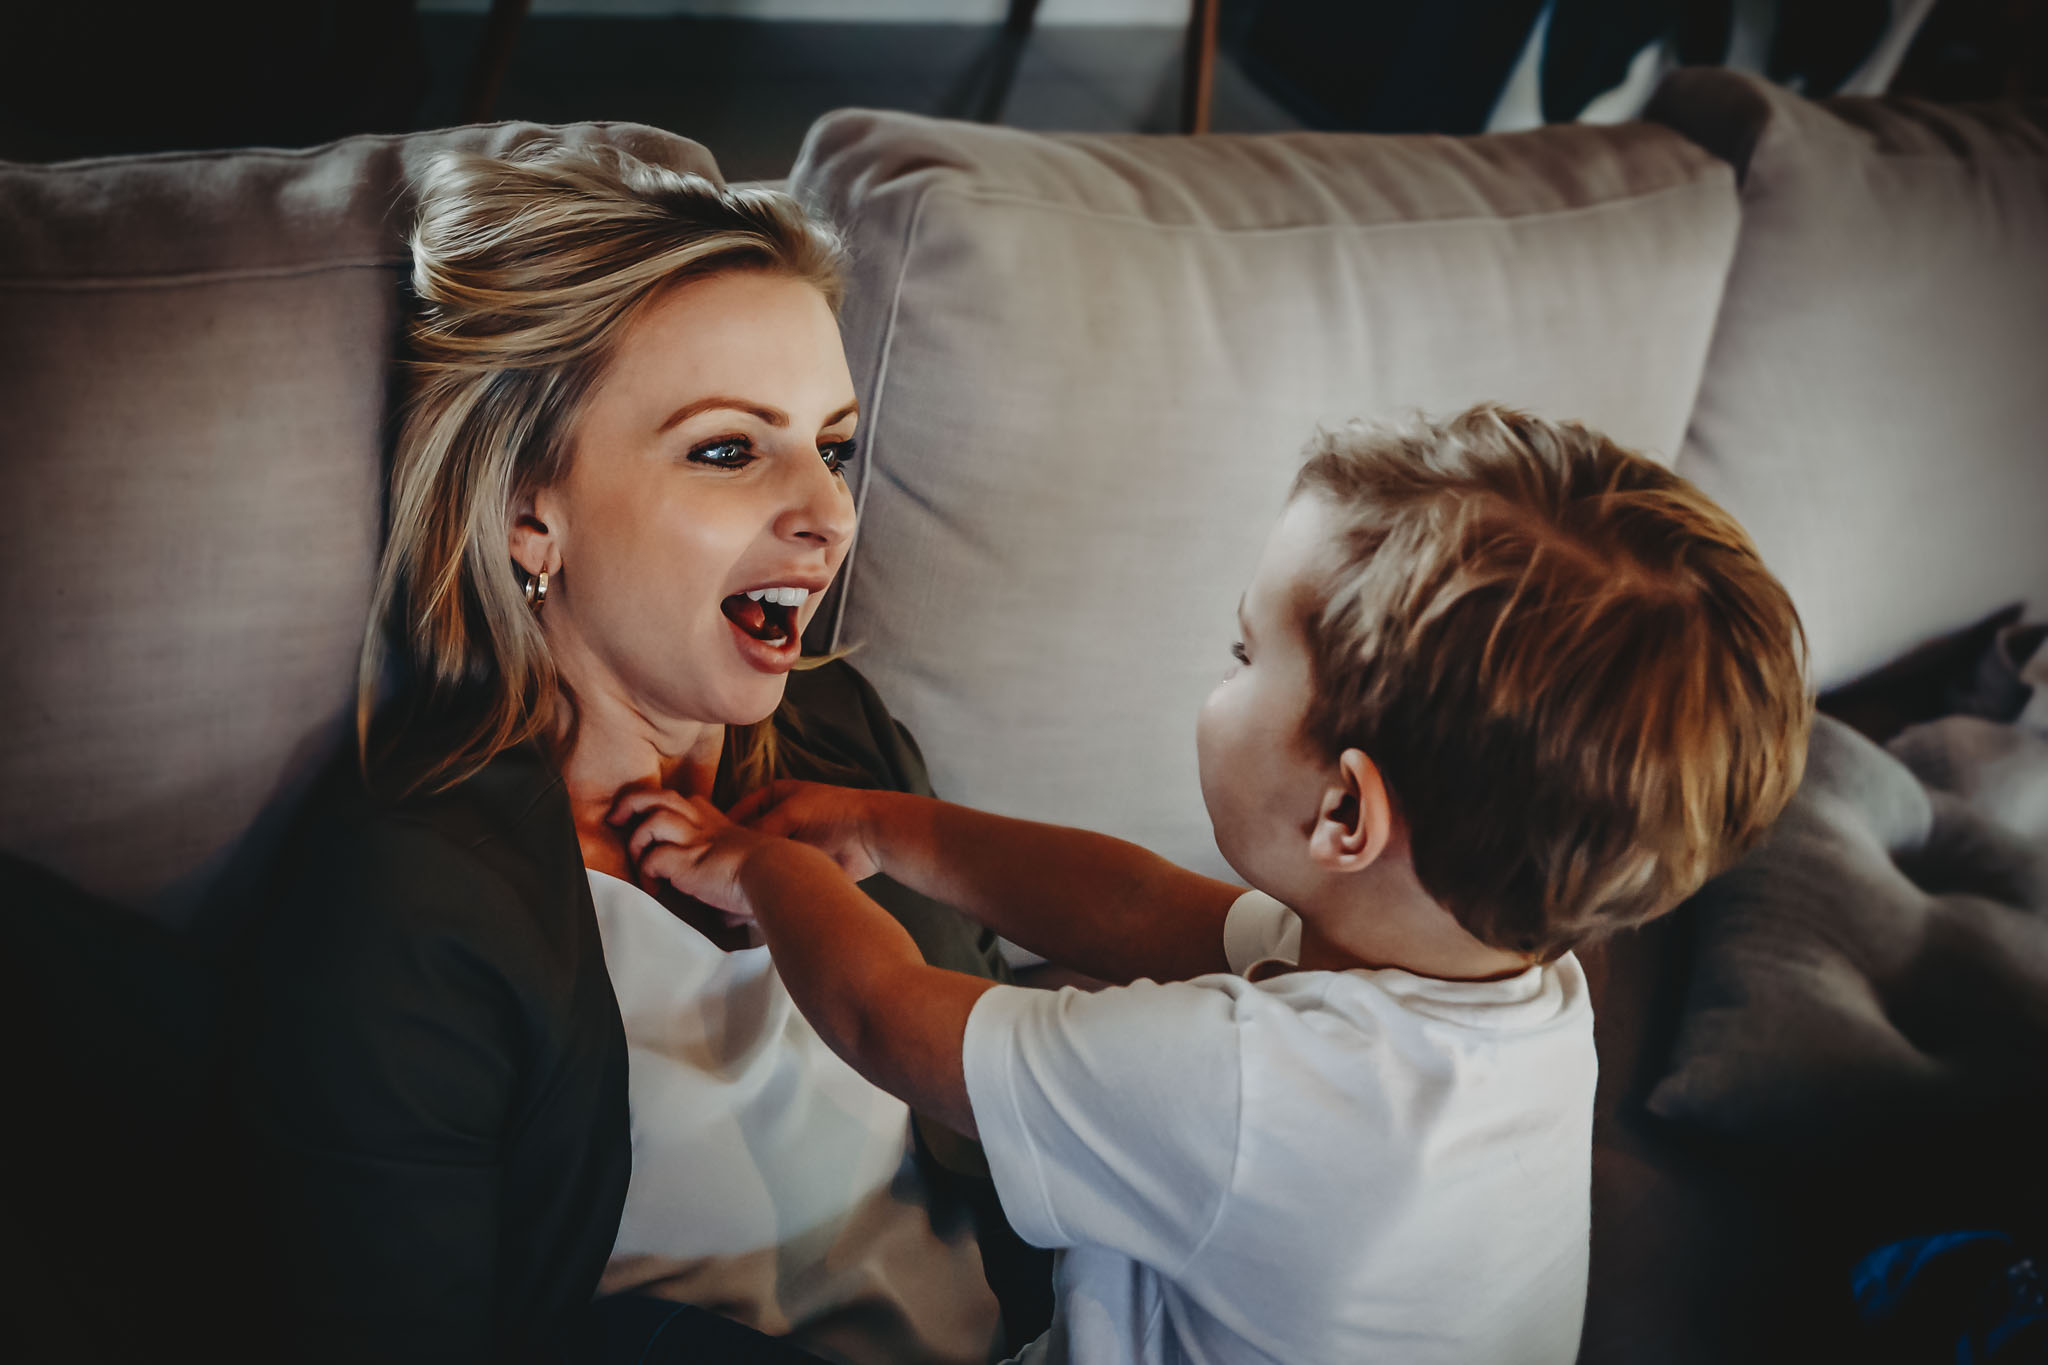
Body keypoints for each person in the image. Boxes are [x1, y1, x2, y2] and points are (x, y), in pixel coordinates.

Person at [614, 403, 1815, 1364]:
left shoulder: (1255, 1093)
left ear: (1343, 809)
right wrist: (893, 826)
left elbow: (890, 1018)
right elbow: (1144, 912)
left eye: (1246, 654)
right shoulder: (1515, 989)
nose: (1223, 669)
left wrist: (765, 869)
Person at [232, 141, 1045, 1364]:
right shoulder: (410, 908)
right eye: (728, 449)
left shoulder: (843, 738)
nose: (828, 516)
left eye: (831, 447)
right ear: (527, 514)